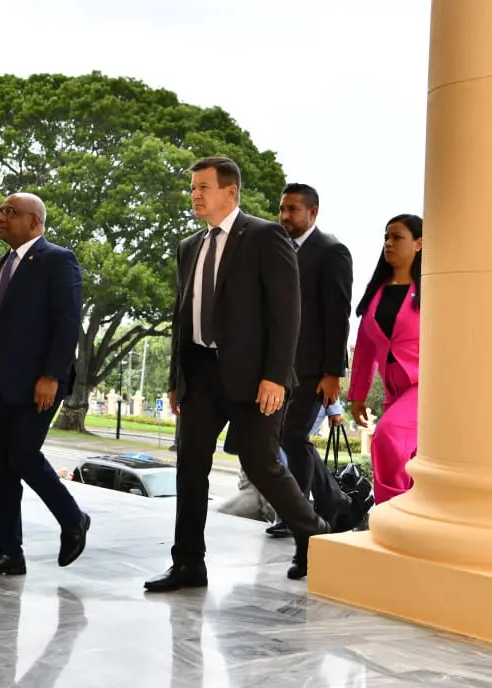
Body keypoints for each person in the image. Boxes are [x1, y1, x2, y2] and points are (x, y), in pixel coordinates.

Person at [147, 156, 330, 593]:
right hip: (199, 374)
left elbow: (288, 314)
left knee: (263, 465)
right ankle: (188, 564)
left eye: (204, 187)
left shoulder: (266, 236)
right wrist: (176, 377)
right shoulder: (189, 246)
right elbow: (182, 315)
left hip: (253, 378)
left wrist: (275, 376)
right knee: (190, 468)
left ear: (231, 192)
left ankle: (316, 534)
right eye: (192, 187)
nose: (195, 194)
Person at [0, 193, 89, 578]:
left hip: (40, 383)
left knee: (23, 456)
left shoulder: (57, 260)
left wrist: (52, 375)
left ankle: (72, 518)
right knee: (0, 467)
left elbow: (68, 323)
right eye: (0, 211)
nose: (0, 217)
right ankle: (9, 553)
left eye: (10, 212)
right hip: (0, 383)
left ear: (35, 222)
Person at [266, 183, 362, 537]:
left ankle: (300, 512)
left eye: (292, 209)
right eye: (282, 209)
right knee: (284, 438)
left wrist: (333, 374)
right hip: (282, 367)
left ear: (313, 213)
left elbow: (338, 316)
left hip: (314, 370)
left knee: (293, 435)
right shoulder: (280, 250)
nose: (285, 216)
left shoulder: (331, 252)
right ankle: (333, 507)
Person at [349, 214, 422, 504]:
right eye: (386, 237)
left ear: (419, 243)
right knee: (412, 457)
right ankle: (411, 513)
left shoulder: (433, 289)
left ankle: (390, 508)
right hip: (393, 390)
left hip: (425, 386)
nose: (389, 243)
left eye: (397, 237)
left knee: (386, 437)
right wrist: (357, 396)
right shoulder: (377, 292)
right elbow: (366, 348)